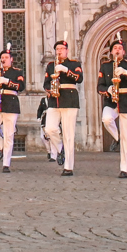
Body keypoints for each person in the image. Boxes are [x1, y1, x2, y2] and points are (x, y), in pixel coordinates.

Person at [98, 41, 127, 179]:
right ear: (111, 52)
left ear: (123, 52)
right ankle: (116, 138)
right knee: (106, 119)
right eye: (115, 48)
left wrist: (126, 73)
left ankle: (124, 169)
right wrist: (108, 89)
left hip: (126, 100)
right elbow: (99, 87)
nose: (117, 50)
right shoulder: (105, 66)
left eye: (120, 48)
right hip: (111, 101)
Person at [42, 40, 84, 177]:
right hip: (54, 100)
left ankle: (68, 167)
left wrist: (66, 70)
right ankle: (60, 148)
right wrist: (50, 89)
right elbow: (46, 83)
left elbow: (79, 78)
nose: (59, 51)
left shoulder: (74, 64)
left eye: (61, 49)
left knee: (68, 134)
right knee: (49, 128)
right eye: (57, 49)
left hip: (69, 99)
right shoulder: (51, 65)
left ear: (67, 51)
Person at [0, 48, 26, 172]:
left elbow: (21, 86)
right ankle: (2, 147)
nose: (3, 59)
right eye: (2, 58)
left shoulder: (17, 72)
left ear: (11, 59)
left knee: (9, 135)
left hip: (11, 103)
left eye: (6, 57)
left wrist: (7, 81)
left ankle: (6, 164)